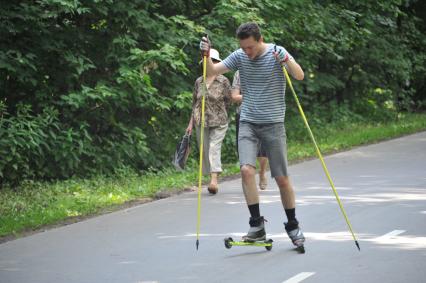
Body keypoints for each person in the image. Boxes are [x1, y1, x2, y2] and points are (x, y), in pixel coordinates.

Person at [199, 22, 306, 247]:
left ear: (260, 39)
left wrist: (286, 61)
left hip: (273, 124)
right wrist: (206, 55)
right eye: (244, 47)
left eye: (251, 47)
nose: (247, 52)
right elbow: (211, 71)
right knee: (246, 170)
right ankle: (257, 225)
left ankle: (293, 225)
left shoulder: (277, 52)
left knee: (281, 178)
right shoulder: (240, 56)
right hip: (248, 122)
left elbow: (299, 75)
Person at [186, 48, 231, 195]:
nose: (208, 64)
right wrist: (190, 124)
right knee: (204, 151)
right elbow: (195, 103)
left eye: (211, 61)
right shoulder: (199, 81)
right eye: (205, 62)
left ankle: (214, 181)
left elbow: (228, 101)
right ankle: (210, 176)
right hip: (201, 121)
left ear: (217, 63)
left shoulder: (223, 81)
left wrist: (218, 111)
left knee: (213, 148)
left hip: (219, 121)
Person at [231, 70, 269, 190]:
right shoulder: (239, 73)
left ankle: (262, 173)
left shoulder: (266, 68)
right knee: (243, 148)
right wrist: (251, 96)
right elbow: (234, 96)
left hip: (263, 114)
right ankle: (248, 179)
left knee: (263, 149)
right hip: (244, 114)